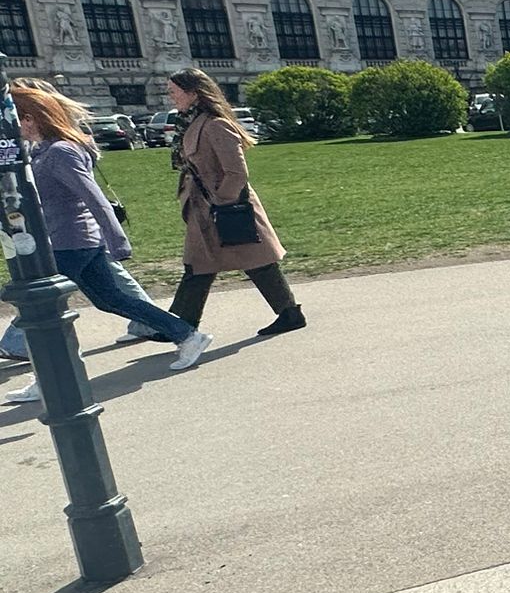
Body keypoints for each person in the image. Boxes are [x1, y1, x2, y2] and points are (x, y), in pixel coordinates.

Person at [3, 80, 211, 405]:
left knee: (42, 311)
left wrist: (118, 241)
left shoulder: (60, 152)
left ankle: (51, 378)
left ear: (29, 119)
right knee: (109, 299)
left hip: (71, 244)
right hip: (68, 242)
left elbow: (94, 198)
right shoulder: (42, 150)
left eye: (15, 120)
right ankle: (187, 335)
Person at [164, 68, 305, 335]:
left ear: (193, 93)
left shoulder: (216, 125)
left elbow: (237, 172)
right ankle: (180, 324)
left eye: (174, 90)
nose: (170, 96)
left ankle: (180, 325)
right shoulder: (193, 123)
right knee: (201, 265)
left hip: (224, 208)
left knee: (251, 262)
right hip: (205, 208)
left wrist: (222, 204)